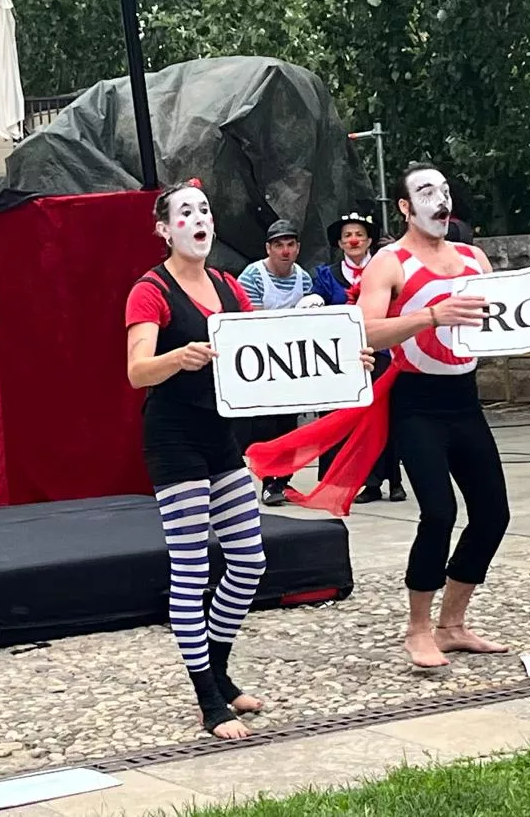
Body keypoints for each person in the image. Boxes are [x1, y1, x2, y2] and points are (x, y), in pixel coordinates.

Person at [125, 179, 373, 739]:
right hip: (174, 439)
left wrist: (342, 359)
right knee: (190, 570)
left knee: (249, 562)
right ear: (164, 230)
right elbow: (137, 369)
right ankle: (209, 698)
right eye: (185, 213)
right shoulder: (150, 290)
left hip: (221, 439)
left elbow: (278, 350)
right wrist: (176, 357)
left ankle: (219, 672)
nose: (199, 219)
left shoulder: (229, 287)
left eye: (205, 210)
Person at [243, 163, 511, 670]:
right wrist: (430, 316)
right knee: (438, 512)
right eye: (426, 192)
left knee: (494, 513)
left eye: (445, 190)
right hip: (416, 401)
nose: (440, 200)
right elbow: (365, 331)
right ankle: (418, 628)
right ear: (406, 208)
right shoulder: (390, 262)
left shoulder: (474, 258)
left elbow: (501, 321)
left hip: (465, 399)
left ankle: (452, 623)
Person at [311, 212, 405, 504]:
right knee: (352, 419)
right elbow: (316, 302)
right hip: (343, 360)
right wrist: (312, 303)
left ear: (369, 241)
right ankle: (367, 481)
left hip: (382, 353)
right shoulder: (327, 275)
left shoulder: (384, 271)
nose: (353, 240)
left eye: (359, 235)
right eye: (347, 236)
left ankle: (395, 480)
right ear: (339, 242)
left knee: (386, 416)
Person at [233, 220, 321, 505]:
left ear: (297, 248)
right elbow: (252, 320)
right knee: (264, 426)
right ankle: (268, 478)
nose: (285, 250)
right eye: (279, 245)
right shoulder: (252, 276)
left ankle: (279, 482)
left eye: (290, 244)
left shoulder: (304, 279)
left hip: (294, 366)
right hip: (260, 363)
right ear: (268, 248)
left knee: (292, 427)